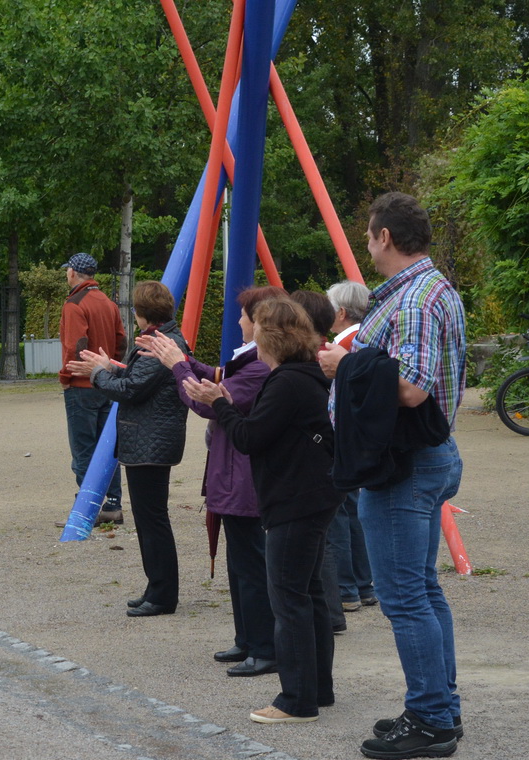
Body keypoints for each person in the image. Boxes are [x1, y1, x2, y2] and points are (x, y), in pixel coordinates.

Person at [319, 193, 466, 760]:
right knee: (422, 590)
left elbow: (412, 387)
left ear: (384, 236)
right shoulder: (431, 291)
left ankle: (432, 720)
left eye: (369, 235)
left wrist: (344, 364)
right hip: (422, 458)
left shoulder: (411, 302)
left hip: (404, 467)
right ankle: (438, 707)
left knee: (404, 596)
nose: (366, 244)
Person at [182, 296, 337, 724]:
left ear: (269, 339)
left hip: (295, 497)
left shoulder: (286, 381)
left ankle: (296, 699)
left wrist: (220, 404)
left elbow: (250, 438)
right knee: (310, 594)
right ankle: (317, 688)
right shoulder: (305, 374)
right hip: (313, 493)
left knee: (289, 597)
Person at [141, 285, 282, 674]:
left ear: (260, 323)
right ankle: (248, 639)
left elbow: (208, 401)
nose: (238, 321)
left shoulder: (257, 366)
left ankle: (264, 646)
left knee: (250, 564)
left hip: (243, 477)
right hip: (233, 474)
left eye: (244, 316)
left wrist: (177, 365)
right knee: (240, 563)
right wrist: (182, 360)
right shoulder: (251, 361)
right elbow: (215, 379)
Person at [67, 281, 188, 617]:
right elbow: (139, 380)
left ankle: (163, 594)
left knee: (153, 520)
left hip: (150, 442)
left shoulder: (158, 345)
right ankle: (156, 587)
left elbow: (132, 389)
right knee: (150, 520)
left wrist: (97, 375)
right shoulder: (163, 340)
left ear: (141, 314)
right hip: (149, 440)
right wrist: (109, 368)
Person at [290, 289, 349, 636]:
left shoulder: (319, 358)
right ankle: (337, 604)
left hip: (318, 457)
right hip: (327, 453)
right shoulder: (327, 354)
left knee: (321, 538)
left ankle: (329, 611)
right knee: (327, 535)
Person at [58, 253, 126, 523]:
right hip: (107, 383)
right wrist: (110, 370)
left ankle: (87, 508)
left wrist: (66, 376)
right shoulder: (109, 304)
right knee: (107, 447)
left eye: (67, 271)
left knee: (83, 450)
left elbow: (75, 347)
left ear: (73, 273)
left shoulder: (74, 304)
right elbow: (121, 342)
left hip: (82, 384)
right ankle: (113, 505)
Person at [325, 280, 377, 615]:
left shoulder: (341, 344)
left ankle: (346, 588)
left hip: (339, 437)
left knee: (338, 514)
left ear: (341, 312)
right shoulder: (367, 337)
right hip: (357, 437)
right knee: (354, 510)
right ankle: (364, 583)